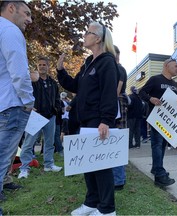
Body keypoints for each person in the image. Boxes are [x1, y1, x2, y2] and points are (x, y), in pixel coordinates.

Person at [57, 21, 118, 215]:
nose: (85, 35)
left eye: (88, 32)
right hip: (84, 121)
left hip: (97, 119)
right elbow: (75, 86)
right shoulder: (87, 64)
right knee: (88, 164)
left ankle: (107, 209)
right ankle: (92, 202)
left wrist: (106, 120)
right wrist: (60, 70)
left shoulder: (107, 61)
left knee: (101, 166)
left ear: (98, 38)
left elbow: (109, 92)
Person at [0, 1, 34, 202]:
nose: (29, 19)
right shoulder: (11, 31)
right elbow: (20, 73)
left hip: (4, 103)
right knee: (3, 158)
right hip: (12, 104)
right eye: (27, 13)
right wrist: (29, 101)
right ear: (11, 8)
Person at [18, 56, 62, 179]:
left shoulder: (53, 83)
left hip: (50, 116)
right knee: (28, 143)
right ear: (37, 67)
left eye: (44, 64)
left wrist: (56, 110)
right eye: (40, 65)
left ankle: (49, 164)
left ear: (48, 67)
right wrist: (29, 107)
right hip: (35, 116)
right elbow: (24, 94)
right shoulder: (32, 82)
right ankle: (24, 168)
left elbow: (57, 98)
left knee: (49, 143)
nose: (42, 66)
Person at [139, 58, 177, 187]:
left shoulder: (175, 84)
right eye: (175, 66)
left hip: (167, 120)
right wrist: (150, 98)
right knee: (157, 144)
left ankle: (156, 168)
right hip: (156, 118)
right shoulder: (155, 79)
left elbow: (173, 101)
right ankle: (159, 175)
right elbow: (142, 92)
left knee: (162, 145)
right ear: (166, 66)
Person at [113, 45, 128, 191]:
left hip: (116, 104)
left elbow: (117, 90)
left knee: (117, 142)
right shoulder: (116, 68)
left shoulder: (119, 69)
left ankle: (118, 179)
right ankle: (117, 177)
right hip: (116, 104)